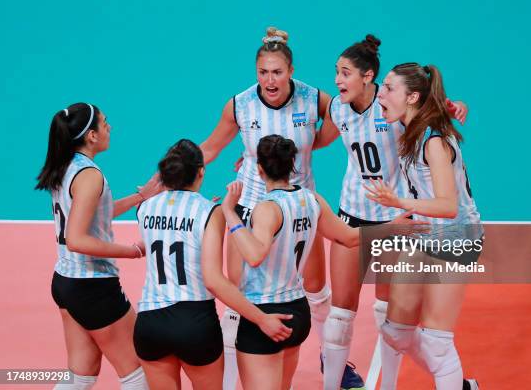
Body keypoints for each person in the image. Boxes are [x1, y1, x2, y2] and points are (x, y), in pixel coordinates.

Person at [312, 35, 468, 390]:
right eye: (336, 72)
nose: (338, 80)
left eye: (345, 72)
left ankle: (389, 385)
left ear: (368, 77)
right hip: (353, 209)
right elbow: (319, 140)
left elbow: (428, 107)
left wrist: (454, 105)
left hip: (395, 218)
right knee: (340, 313)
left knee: (387, 313)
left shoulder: (394, 106)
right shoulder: (337, 106)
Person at [221, 134, 418, 389]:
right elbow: (348, 237)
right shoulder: (310, 199)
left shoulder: (266, 209)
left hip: (265, 312)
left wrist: (229, 212)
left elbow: (255, 255)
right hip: (297, 311)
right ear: (292, 164)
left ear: (258, 169)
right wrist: (391, 226)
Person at [198, 27, 334, 387]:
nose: (269, 80)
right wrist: (166, 176)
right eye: (263, 72)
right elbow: (210, 148)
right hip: (252, 208)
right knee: (239, 294)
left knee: (316, 288)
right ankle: (230, 377)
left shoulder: (312, 98)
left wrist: (310, 145)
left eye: (277, 72)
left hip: (299, 209)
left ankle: (333, 359)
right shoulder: (241, 104)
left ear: (290, 71)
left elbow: (343, 114)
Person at [134, 139, 293, 390]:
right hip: (193, 323)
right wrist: (261, 318)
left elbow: (171, 226)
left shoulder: (144, 208)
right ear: (201, 172)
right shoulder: (210, 212)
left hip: (150, 323)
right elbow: (214, 280)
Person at [364, 63, 483, 390]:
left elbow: (447, 206)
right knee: (394, 331)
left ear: (412, 97)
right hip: (426, 235)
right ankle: (457, 382)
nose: (381, 95)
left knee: (435, 342)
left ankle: (456, 384)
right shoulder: (414, 124)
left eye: (388, 89)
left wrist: (399, 203)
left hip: (456, 238)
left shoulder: (432, 142)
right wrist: (451, 104)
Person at [35, 103, 161, 390]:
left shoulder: (65, 166)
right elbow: (77, 239)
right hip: (92, 287)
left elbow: (93, 213)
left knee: (80, 376)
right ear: (91, 136)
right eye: (105, 124)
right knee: (138, 372)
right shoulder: (90, 175)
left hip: (66, 282)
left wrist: (140, 197)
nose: (109, 128)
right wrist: (134, 250)